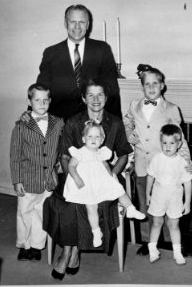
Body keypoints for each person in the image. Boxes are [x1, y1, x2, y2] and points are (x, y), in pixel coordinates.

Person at [43, 78, 132, 281]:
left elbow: (124, 154)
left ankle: (72, 251)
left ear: (106, 98)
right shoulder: (73, 122)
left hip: (104, 180)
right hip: (77, 176)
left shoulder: (115, 123)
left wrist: (112, 174)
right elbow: (65, 156)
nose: (95, 99)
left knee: (92, 203)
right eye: (90, 95)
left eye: (100, 94)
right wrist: (72, 178)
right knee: (67, 204)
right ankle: (69, 251)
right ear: (83, 98)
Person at [123, 64, 192, 256]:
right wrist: (129, 132)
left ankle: (171, 240)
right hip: (142, 164)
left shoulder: (171, 109)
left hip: (165, 165)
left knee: (170, 201)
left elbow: (180, 138)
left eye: (155, 83)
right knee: (146, 203)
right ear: (142, 87)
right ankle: (148, 240)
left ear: (162, 86)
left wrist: (186, 161)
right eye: (147, 84)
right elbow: (127, 120)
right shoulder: (133, 105)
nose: (151, 87)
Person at [64, 121, 146, 248]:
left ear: (102, 140)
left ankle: (130, 209)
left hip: (99, 181)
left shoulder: (101, 152)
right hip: (85, 183)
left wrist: (111, 175)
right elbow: (71, 166)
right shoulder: (80, 152)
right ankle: (96, 231)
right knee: (91, 206)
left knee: (118, 190)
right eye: (90, 136)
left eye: (97, 137)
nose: (93, 139)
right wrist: (77, 178)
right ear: (83, 138)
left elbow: (105, 165)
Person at [36, 4, 122, 121]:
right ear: (66, 23)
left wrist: (116, 124)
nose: (77, 26)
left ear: (88, 24)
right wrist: (31, 114)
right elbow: (41, 89)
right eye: (72, 22)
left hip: (95, 123)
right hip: (60, 123)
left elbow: (112, 90)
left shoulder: (102, 49)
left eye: (82, 22)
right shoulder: (51, 53)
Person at [10, 83, 64, 262]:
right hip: (27, 178)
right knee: (24, 211)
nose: (42, 104)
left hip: (48, 179)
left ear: (50, 101)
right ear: (29, 101)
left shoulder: (58, 122)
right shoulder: (21, 125)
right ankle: (24, 245)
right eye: (37, 100)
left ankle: (36, 246)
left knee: (42, 213)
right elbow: (15, 155)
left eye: (45, 100)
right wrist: (17, 180)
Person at [146, 124, 192, 265]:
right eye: (164, 143)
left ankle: (177, 253)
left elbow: (188, 183)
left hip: (175, 199)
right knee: (157, 223)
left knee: (174, 225)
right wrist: (147, 194)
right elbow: (150, 176)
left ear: (179, 144)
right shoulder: (157, 158)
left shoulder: (182, 162)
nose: (168, 146)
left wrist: (187, 202)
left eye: (172, 143)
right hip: (158, 197)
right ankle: (152, 249)